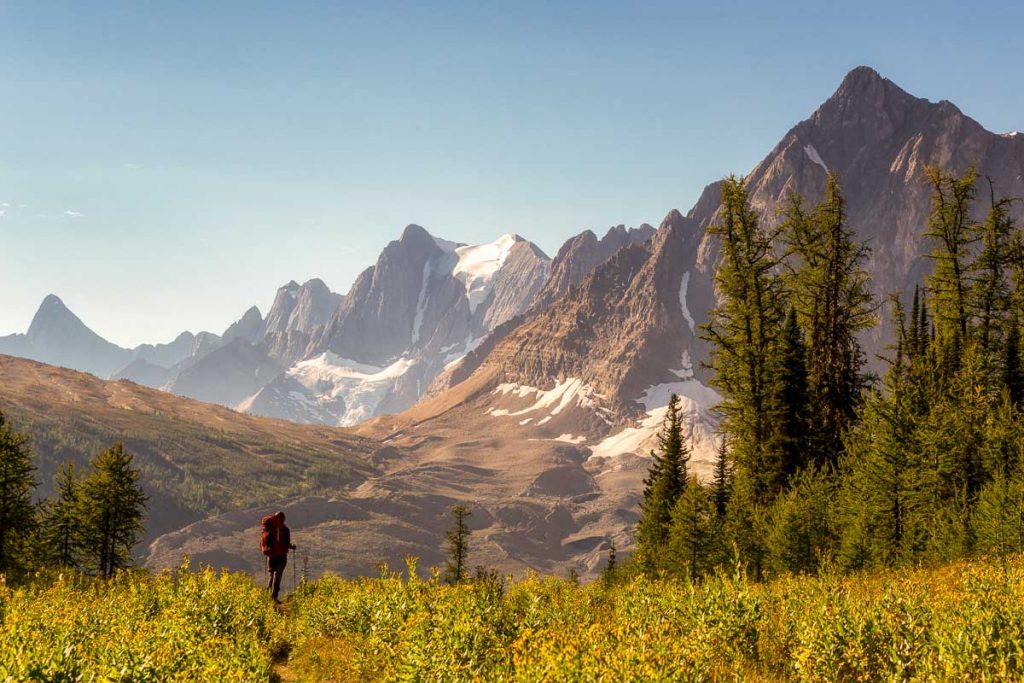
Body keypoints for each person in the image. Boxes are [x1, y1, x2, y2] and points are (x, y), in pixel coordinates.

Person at [262, 510, 296, 602]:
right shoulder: (285, 529)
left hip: (271, 555)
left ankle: (266, 596)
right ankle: (274, 597)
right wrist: (292, 547)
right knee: (278, 575)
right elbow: (287, 543)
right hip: (281, 556)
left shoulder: (269, 528)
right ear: (283, 519)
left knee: (271, 575)